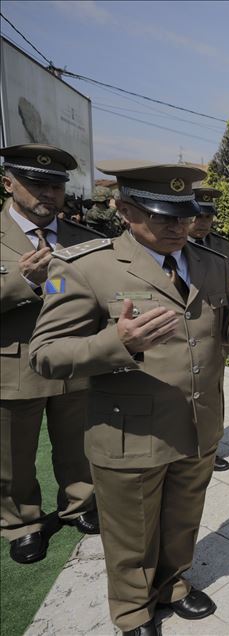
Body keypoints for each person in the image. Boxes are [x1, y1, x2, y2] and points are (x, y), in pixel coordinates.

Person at [30, 161, 229, 636]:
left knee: (182, 518)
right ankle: (133, 611)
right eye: (163, 216)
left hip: (196, 421)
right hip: (129, 431)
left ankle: (173, 584)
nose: (180, 226)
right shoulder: (84, 267)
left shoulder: (210, 262)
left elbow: (217, 335)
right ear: (124, 209)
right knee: (132, 531)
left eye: (185, 213)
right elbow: (45, 354)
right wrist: (120, 344)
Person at [0, 144, 102, 565]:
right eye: (37, 184)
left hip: (75, 362)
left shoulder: (86, 239)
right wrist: (26, 280)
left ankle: (78, 503)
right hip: (14, 365)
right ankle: (21, 523)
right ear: (8, 184)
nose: (49, 194)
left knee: (78, 445)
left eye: (56, 186)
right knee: (13, 457)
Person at [188, 185, 229, 472]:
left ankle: (210, 448)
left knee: (213, 395)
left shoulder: (225, 248)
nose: (203, 222)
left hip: (214, 334)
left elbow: (228, 294)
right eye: (198, 216)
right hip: (179, 335)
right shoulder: (170, 245)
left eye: (208, 216)